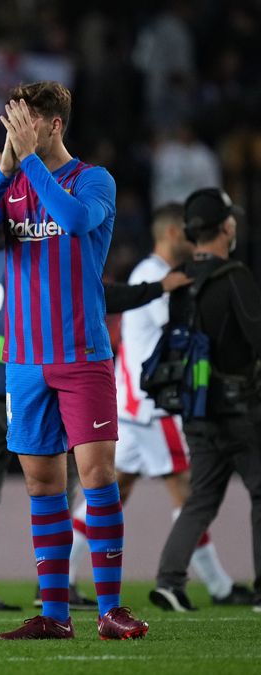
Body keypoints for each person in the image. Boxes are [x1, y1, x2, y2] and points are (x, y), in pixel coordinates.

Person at [0, 81, 150, 640]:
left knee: (95, 475)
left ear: (54, 124)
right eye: (9, 123)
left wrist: (27, 168)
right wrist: (4, 170)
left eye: (25, 123)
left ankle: (110, 610)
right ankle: (56, 614)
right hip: (23, 359)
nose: (13, 133)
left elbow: (73, 220)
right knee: (41, 484)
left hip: (81, 353)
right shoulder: (12, 183)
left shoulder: (93, 180)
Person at [89, 203, 247, 608]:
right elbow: (180, 331)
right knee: (187, 491)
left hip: (131, 404)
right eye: (188, 233)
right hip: (152, 408)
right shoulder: (155, 277)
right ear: (174, 233)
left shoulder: (147, 273)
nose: (194, 239)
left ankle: (60, 579)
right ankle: (214, 585)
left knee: (113, 490)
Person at [151, 188, 261, 613]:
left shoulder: (178, 279)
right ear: (228, 227)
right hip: (241, 409)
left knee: (200, 499)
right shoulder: (235, 276)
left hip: (196, 410)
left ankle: (169, 580)